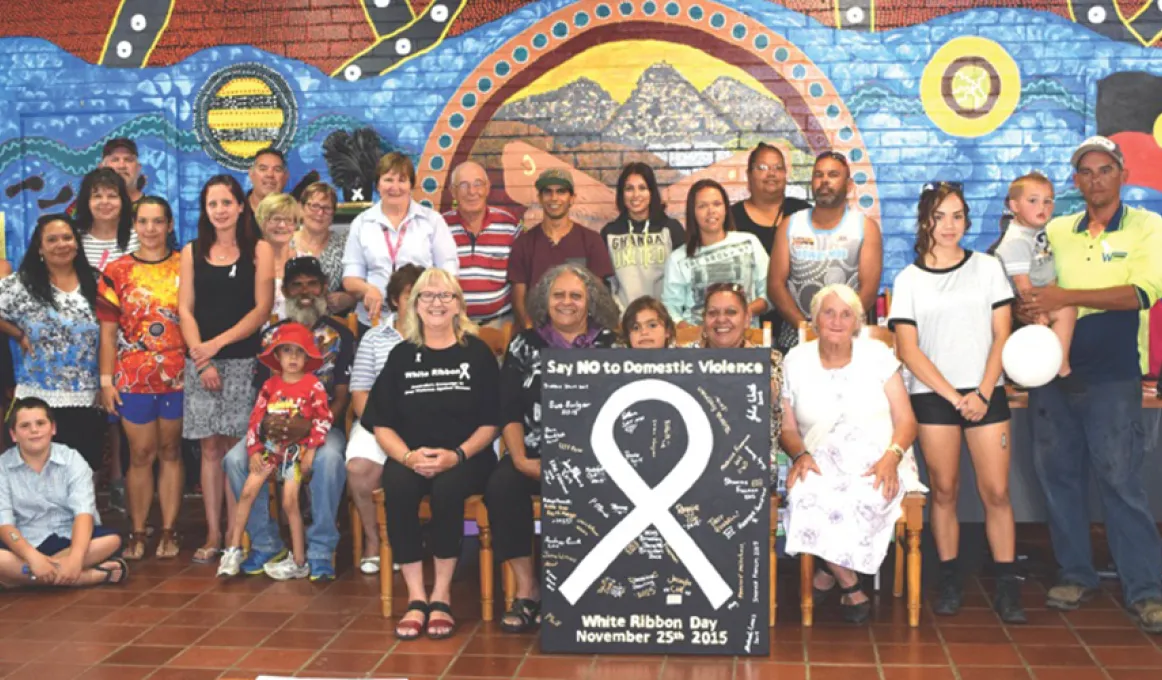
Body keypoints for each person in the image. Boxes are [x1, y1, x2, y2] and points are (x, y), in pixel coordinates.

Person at [1021, 136, 1162, 633]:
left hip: (1114, 375)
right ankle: (1076, 573)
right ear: (1076, 180)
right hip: (1052, 375)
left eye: (1105, 169)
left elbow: (1141, 293)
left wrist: (1067, 295)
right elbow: (1038, 289)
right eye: (1086, 171)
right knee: (1059, 479)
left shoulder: (1149, 227)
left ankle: (1146, 588)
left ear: (1121, 174)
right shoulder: (1057, 229)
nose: (1096, 178)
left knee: (1121, 483)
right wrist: (1032, 305)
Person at [889, 181, 1024, 623]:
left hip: (986, 395)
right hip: (933, 399)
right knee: (944, 491)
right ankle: (949, 578)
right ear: (925, 220)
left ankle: (1006, 585)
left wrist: (983, 393)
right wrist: (954, 397)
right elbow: (908, 349)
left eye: (958, 216)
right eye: (940, 216)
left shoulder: (987, 268)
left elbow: (1002, 333)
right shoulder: (907, 279)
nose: (949, 225)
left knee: (997, 492)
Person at [364, 269, 500, 640]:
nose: (437, 303)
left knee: (448, 490)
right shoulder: (402, 355)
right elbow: (380, 423)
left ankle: (441, 595)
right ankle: (416, 597)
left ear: (458, 305)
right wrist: (408, 457)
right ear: (414, 305)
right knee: (397, 485)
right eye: (427, 296)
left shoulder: (478, 352)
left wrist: (456, 455)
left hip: (466, 457)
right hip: (413, 455)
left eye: (446, 296)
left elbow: (493, 422)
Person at [487, 264, 619, 632]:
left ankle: (576, 590)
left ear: (590, 301)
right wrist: (519, 459)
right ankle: (529, 590)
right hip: (531, 453)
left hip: (595, 458)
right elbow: (508, 407)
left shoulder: (610, 344)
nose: (567, 302)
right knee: (501, 485)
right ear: (545, 299)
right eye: (558, 294)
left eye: (576, 295)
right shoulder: (524, 343)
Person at [780, 284, 922, 624]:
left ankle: (830, 570)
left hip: (878, 453)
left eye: (846, 314)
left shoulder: (878, 356)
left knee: (869, 493)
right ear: (814, 319)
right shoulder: (795, 359)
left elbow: (906, 421)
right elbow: (786, 428)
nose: (837, 321)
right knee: (805, 492)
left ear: (857, 322)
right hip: (817, 455)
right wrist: (799, 455)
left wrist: (892, 457)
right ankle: (851, 585)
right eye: (828, 312)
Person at [223, 256, 353, 581]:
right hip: (273, 431)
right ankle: (267, 545)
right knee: (235, 460)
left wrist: (312, 430)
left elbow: (342, 395)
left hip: (322, 428)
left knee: (331, 460)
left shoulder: (340, 335)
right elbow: (261, 394)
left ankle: (321, 550)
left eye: (312, 283)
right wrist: (267, 427)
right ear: (286, 291)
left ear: (324, 288)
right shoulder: (270, 336)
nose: (305, 291)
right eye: (297, 285)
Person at [178, 175, 275, 564]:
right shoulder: (191, 250)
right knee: (209, 449)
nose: (219, 210)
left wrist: (216, 347)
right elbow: (185, 308)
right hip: (200, 364)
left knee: (237, 449)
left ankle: (239, 534)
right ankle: (215, 532)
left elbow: (261, 309)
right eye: (212, 204)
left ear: (240, 207)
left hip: (243, 362)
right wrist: (202, 360)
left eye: (226, 202)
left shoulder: (260, 250)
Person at [96, 197, 185, 560]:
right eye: (143, 222)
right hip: (132, 377)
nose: (150, 229)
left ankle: (169, 528)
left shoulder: (186, 265)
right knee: (141, 454)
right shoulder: (115, 271)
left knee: (171, 451)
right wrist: (105, 380)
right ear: (134, 224)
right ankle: (137, 530)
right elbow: (106, 333)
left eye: (158, 222)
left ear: (169, 225)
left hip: (179, 374)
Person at [219, 324, 332, 580]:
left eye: (299, 353)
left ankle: (300, 560)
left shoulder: (313, 386)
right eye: (287, 351)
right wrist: (254, 450)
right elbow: (255, 420)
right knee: (247, 491)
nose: (292, 358)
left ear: (307, 357)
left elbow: (323, 419)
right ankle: (233, 549)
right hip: (271, 447)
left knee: (289, 501)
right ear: (277, 356)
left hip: (295, 450)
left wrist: (312, 450)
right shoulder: (270, 386)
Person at [0, 214, 104, 470]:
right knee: (39, 469)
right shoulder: (22, 284)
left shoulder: (96, 281)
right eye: (52, 239)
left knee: (83, 468)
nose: (61, 245)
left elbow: (111, 333)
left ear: (77, 244)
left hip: (86, 395)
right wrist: (18, 334)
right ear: (40, 247)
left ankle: (84, 512)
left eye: (67, 238)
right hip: (37, 396)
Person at [0, 398, 126, 588]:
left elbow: (84, 514)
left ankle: (18, 580)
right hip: (23, 542)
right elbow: (6, 525)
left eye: (40, 423)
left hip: (68, 538)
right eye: (25, 426)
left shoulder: (73, 460)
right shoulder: (3, 467)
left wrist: (75, 558)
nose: (34, 430)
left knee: (111, 541)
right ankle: (89, 576)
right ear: (13, 435)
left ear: (53, 429)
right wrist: (33, 558)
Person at [346, 264, 422, 574]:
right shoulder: (375, 338)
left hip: (430, 424)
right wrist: (383, 428)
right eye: (409, 294)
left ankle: (414, 540)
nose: (418, 301)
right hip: (380, 422)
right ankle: (375, 541)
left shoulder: (442, 336)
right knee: (359, 468)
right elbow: (360, 394)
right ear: (394, 300)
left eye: (424, 294)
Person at [768, 152, 883, 352]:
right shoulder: (790, 225)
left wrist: (840, 326)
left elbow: (869, 290)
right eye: (818, 175)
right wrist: (805, 327)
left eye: (833, 175)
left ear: (848, 185)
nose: (824, 181)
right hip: (797, 337)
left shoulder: (865, 228)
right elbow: (775, 285)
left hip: (849, 337)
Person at [343, 152, 458, 334]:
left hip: (422, 321)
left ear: (411, 185)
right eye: (388, 180)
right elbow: (350, 278)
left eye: (402, 180)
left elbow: (449, 273)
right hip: (373, 321)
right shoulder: (362, 223)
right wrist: (367, 289)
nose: (395, 187)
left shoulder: (432, 221)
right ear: (378, 185)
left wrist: (428, 296)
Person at [683, 283, 785, 489]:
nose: (721, 320)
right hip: (692, 461)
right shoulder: (683, 359)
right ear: (704, 319)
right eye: (713, 313)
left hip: (753, 464)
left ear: (747, 318)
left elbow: (778, 414)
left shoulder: (770, 360)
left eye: (731, 312)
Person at [993, 173, 1077, 383]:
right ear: (1014, 206)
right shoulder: (1016, 241)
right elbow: (1023, 287)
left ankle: (1056, 362)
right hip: (1026, 303)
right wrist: (1038, 314)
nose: (1043, 207)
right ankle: (1059, 365)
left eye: (1048, 201)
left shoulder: (1036, 233)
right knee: (1067, 310)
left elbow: (1046, 270)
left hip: (1042, 294)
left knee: (1067, 308)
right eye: (1033, 201)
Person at [508, 168, 614, 329]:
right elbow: (518, 297)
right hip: (537, 334)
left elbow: (596, 295)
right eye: (548, 192)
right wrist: (531, 330)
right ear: (540, 198)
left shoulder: (591, 241)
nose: (554, 198)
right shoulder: (524, 243)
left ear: (572, 198)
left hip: (581, 337)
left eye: (561, 192)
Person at [661, 179, 770, 327]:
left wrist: (741, 314)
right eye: (702, 206)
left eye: (717, 204)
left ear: (726, 208)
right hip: (698, 345)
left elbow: (769, 293)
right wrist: (692, 336)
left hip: (747, 340)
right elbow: (670, 309)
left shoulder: (749, 242)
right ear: (693, 212)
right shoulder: (677, 259)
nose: (711, 211)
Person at [444, 161, 521, 327]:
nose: (472, 192)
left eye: (478, 184)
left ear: (487, 188)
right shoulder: (440, 227)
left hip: (499, 324)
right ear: (453, 192)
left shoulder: (509, 225)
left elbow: (520, 280)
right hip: (452, 325)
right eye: (464, 185)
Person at [600, 163, 686, 309]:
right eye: (629, 189)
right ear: (621, 193)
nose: (636, 195)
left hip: (664, 321)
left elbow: (685, 278)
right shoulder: (609, 233)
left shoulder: (671, 229)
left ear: (651, 192)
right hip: (623, 321)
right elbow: (604, 284)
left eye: (642, 188)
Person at [296, 181, 355, 314]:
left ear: (333, 213)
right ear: (301, 208)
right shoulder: (285, 242)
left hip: (330, 326)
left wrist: (349, 299)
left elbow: (359, 284)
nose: (320, 213)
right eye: (314, 206)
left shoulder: (345, 245)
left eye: (327, 208)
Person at [75, 168, 139, 273]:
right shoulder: (74, 238)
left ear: (123, 200)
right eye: (97, 196)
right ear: (86, 201)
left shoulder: (138, 235)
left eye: (112, 196)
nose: (105, 202)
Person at [255, 193, 301, 321]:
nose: (282, 225)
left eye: (288, 220)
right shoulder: (249, 262)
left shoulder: (305, 262)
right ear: (261, 222)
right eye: (275, 219)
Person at [242, 147, 290, 239]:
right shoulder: (236, 213)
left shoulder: (296, 215)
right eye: (263, 169)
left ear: (286, 176)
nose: (270, 175)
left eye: (277, 170)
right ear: (251, 174)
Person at [100, 138, 144, 204]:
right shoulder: (88, 209)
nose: (121, 166)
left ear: (138, 168)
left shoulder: (154, 210)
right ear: (102, 167)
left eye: (128, 160)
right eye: (115, 160)